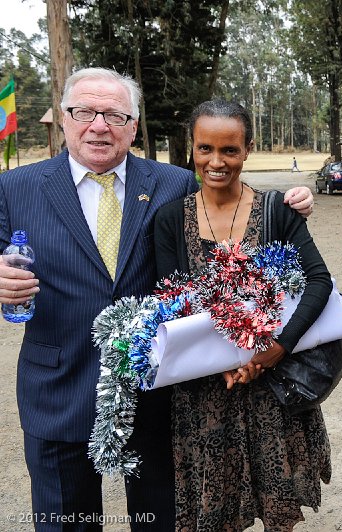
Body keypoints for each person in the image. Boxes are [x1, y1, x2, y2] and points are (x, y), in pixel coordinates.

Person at [0, 68, 313, 532]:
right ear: (65, 118)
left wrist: (290, 203)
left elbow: (229, 220)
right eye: (84, 112)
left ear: (133, 123)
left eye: (114, 114)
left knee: (163, 522)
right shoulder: (14, 186)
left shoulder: (174, 182)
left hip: (160, 391)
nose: (99, 125)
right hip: (57, 389)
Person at [153, 99, 332, 531]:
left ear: (247, 149)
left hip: (273, 390)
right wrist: (226, 363)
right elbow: (173, 304)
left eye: (229, 150)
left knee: (278, 512)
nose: (217, 162)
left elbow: (319, 282)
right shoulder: (169, 220)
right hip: (206, 395)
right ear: (191, 149)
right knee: (215, 514)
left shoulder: (277, 212)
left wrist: (277, 347)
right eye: (205, 149)